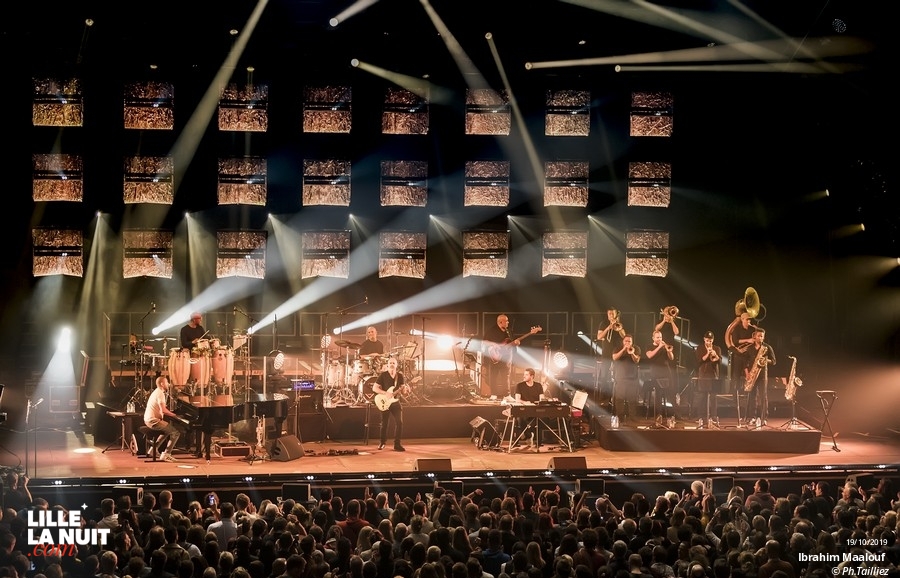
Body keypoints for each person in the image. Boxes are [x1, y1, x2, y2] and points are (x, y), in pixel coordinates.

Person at [144, 375, 187, 462]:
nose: (168, 384)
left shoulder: (157, 392)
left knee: (167, 431)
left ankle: (152, 450)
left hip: (149, 419)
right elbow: (163, 410)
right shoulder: (160, 393)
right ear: (162, 383)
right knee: (175, 433)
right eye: (167, 382)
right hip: (153, 421)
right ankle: (166, 454)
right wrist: (175, 415)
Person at [372, 357, 409, 451]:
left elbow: (403, 391)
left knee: (399, 423)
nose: (392, 364)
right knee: (384, 423)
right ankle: (382, 442)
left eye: (394, 363)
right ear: (387, 365)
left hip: (396, 402)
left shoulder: (400, 376)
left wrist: (406, 390)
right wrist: (385, 393)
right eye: (390, 363)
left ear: (396, 365)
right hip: (385, 401)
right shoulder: (383, 375)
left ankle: (397, 444)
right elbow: (375, 388)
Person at [744, 327, 776, 428]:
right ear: (755, 336)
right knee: (752, 397)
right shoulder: (749, 348)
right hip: (752, 375)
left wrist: (765, 360)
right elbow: (745, 363)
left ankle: (764, 418)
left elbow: (774, 361)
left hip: (762, 375)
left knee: (763, 396)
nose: (760, 338)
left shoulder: (767, 348)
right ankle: (752, 417)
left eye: (762, 336)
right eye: (759, 336)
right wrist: (747, 374)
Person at [482, 314, 518, 398]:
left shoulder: (509, 331)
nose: (508, 322)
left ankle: (507, 394)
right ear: (501, 322)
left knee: (506, 376)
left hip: (506, 357)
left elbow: (511, 343)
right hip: (495, 357)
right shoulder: (491, 330)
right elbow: (484, 342)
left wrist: (516, 343)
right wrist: (494, 344)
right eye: (506, 321)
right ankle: (493, 394)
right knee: (493, 376)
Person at [596, 308, 626, 400]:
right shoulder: (603, 323)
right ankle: (604, 397)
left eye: (613, 314)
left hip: (617, 352)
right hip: (606, 353)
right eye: (609, 314)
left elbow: (624, 336)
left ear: (616, 314)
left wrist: (618, 327)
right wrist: (608, 328)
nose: (611, 315)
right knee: (604, 375)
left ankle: (617, 397)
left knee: (618, 375)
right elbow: (599, 336)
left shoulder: (620, 323)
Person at [643, 330, 674, 417]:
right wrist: (659, 347)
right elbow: (649, 355)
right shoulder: (649, 346)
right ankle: (658, 414)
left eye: (660, 337)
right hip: (656, 373)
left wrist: (669, 351)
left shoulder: (664, 347)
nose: (659, 339)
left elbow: (671, 358)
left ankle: (675, 414)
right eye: (657, 337)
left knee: (671, 391)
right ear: (653, 338)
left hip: (666, 372)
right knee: (658, 394)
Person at [695, 331, 722, 428]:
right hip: (703, 375)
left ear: (713, 340)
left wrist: (715, 355)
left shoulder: (717, 348)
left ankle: (714, 417)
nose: (709, 342)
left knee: (714, 398)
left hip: (714, 375)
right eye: (707, 340)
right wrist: (707, 353)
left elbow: (720, 361)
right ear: (704, 339)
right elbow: (699, 360)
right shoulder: (700, 348)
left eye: (710, 341)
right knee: (702, 397)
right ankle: (700, 416)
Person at [724, 312, 755, 395]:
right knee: (736, 376)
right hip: (739, 355)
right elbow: (735, 341)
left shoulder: (752, 329)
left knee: (749, 375)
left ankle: (747, 393)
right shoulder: (737, 329)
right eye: (747, 319)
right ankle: (734, 395)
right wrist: (748, 340)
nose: (749, 321)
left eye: (749, 319)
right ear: (742, 320)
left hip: (748, 355)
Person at [611, 334, 641, 422]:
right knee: (619, 399)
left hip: (632, 378)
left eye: (629, 341)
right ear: (623, 342)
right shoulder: (618, 348)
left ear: (632, 342)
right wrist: (624, 349)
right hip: (620, 377)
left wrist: (632, 353)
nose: (627, 343)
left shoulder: (636, 348)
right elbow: (614, 357)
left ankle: (632, 417)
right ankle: (620, 417)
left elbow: (637, 360)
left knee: (632, 399)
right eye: (626, 341)